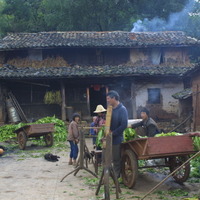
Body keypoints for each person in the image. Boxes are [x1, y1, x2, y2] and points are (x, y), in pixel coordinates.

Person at [106, 90, 128, 178]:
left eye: (108, 98)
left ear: (113, 98)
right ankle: (114, 175)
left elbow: (124, 125)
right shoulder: (110, 109)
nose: (107, 100)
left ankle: (116, 178)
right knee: (111, 158)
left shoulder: (122, 109)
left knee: (116, 159)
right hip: (109, 137)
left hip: (117, 138)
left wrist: (113, 133)